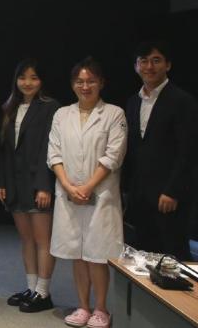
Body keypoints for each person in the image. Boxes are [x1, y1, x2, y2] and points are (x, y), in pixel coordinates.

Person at [48, 57, 126, 328]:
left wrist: (88, 186)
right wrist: (69, 186)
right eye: (80, 81)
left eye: (91, 81)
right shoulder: (62, 114)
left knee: (97, 255)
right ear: (72, 84)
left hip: (101, 194)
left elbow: (113, 155)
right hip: (68, 193)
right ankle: (82, 306)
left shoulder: (114, 114)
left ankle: (101, 309)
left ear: (101, 83)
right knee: (77, 254)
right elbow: (54, 154)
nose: (85, 86)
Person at [123, 41, 198, 261]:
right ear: (136, 66)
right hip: (141, 198)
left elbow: (188, 151)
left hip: (169, 197)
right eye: (143, 61)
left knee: (174, 258)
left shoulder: (183, 101)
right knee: (143, 258)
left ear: (168, 65)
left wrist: (173, 191)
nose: (149, 66)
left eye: (156, 60)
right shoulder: (132, 102)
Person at [0, 59, 60, 313]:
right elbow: (3, 150)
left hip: (37, 184)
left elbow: (49, 148)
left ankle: (43, 292)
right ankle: (31, 288)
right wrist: (1, 182)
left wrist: (45, 186)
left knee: (43, 240)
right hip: (14, 183)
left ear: (41, 81)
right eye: (23, 78)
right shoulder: (9, 107)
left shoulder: (50, 107)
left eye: (33, 77)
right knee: (26, 240)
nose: (27, 83)